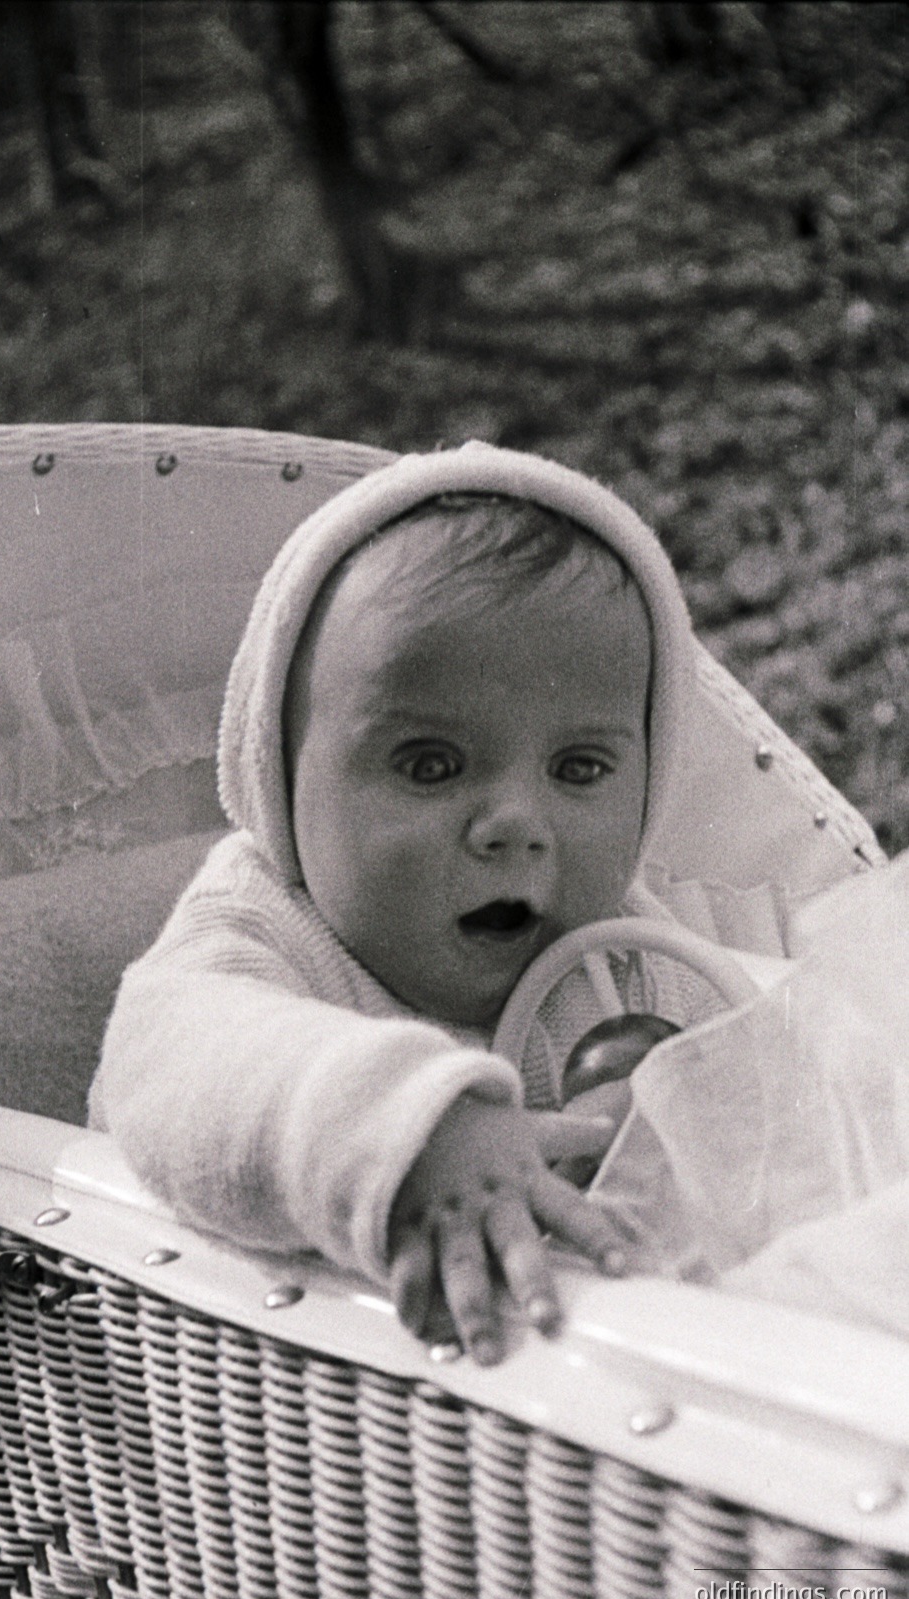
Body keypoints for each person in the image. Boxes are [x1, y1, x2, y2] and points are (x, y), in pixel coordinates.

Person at [89, 441, 700, 1365]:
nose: (515, 824)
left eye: (578, 769)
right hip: (271, 1387)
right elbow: (171, 1063)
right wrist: (401, 1132)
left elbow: (754, 1080)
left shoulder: (623, 951)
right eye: (430, 765)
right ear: (279, 775)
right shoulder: (258, 927)